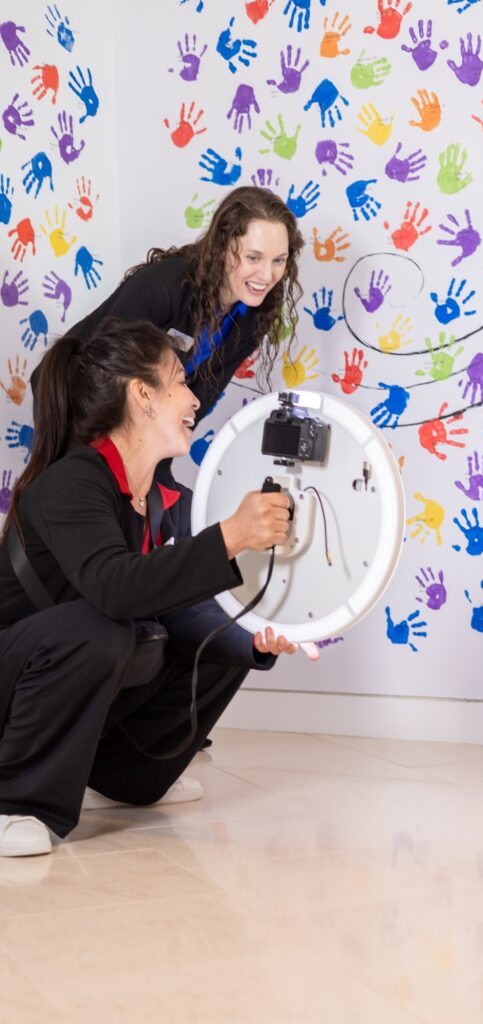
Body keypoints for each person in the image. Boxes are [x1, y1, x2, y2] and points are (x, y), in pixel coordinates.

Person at [0, 319, 295, 858]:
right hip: (11, 688)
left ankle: (124, 779)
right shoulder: (72, 482)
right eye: (180, 381)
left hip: (66, 683)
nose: (193, 398)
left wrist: (249, 641)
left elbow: (176, 605)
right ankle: (15, 802)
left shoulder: (162, 497)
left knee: (218, 638)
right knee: (100, 627)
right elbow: (114, 589)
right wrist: (229, 536)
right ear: (142, 396)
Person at [62, 185, 304, 428]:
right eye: (253, 257)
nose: (266, 275)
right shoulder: (166, 286)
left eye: (278, 261)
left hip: (139, 421)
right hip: (75, 396)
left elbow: (197, 401)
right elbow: (104, 373)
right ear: (223, 247)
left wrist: (162, 450)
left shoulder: (254, 317)